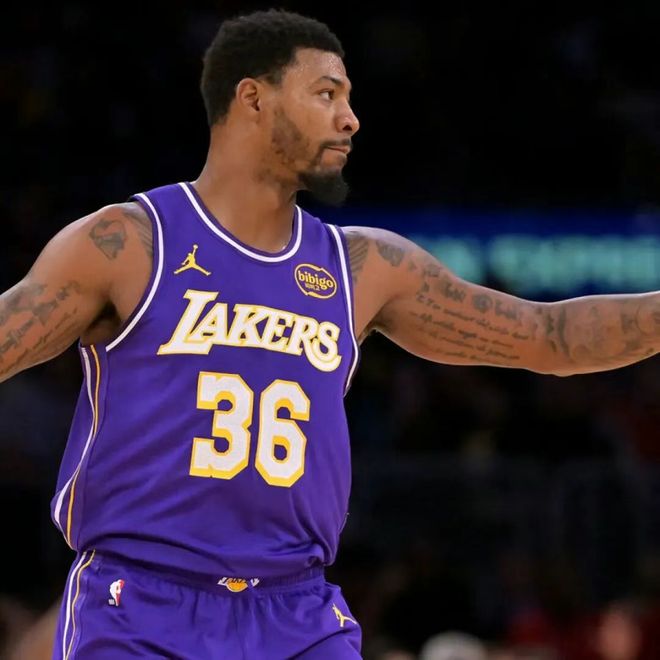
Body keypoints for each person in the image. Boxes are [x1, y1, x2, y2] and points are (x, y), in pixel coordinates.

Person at [1, 8, 660, 659]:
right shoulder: (131, 243)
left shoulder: (362, 267)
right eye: (326, 94)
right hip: (141, 605)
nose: (350, 119)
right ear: (252, 99)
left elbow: (548, 336)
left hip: (296, 612)